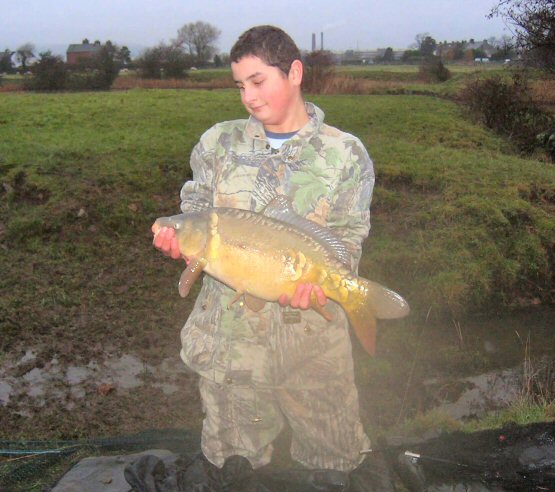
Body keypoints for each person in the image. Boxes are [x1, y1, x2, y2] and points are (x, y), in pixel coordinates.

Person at [152, 25, 393, 491]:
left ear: (295, 72)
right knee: (234, 471)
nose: (248, 97)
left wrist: (330, 288)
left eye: (258, 81)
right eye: (240, 85)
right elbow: (194, 220)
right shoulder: (217, 144)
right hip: (230, 349)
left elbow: (348, 242)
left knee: (334, 467)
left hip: (314, 349)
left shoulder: (346, 155)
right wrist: (176, 243)